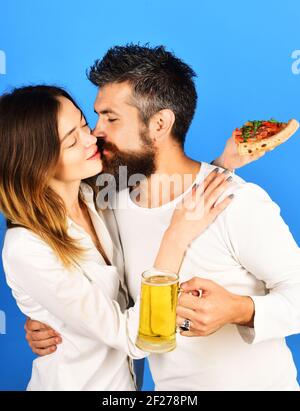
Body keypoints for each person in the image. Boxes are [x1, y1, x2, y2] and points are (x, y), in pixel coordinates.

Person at [26, 45, 300, 391]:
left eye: (111, 118)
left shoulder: (237, 202)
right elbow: (116, 301)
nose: (96, 132)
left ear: (159, 124)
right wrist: (53, 316)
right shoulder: (111, 206)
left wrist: (240, 310)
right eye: (96, 116)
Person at [0, 85, 234, 391]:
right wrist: (175, 238)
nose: (91, 138)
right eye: (72, 141)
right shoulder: (26, 249)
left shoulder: (95, 196)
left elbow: (166, 191)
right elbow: (134, 338)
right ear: (37, 164)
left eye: (83, 124)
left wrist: (223, 165)